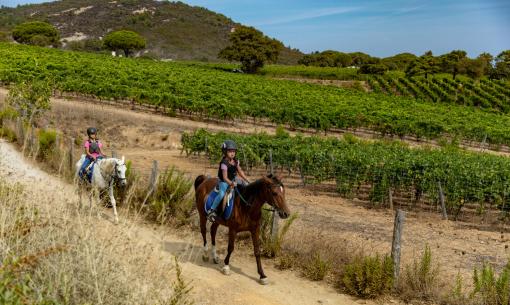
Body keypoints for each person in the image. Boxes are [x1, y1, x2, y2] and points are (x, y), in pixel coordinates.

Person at [207, 140, 249, 222]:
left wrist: (247, 180)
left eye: (234, 151)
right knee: (222, 194)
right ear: (225, 152)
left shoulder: (236, 161)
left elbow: (240, 172)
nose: (232, 153)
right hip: (224, 182)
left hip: (233, 179)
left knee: (244, 186)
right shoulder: (224, 163)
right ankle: (211, 210)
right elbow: (225, 177)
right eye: (230, 151)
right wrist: (231, 183)